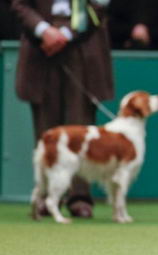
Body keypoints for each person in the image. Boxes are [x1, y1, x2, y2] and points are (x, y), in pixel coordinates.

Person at [12, 0, 114, 218]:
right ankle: (46, 197)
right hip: (40, 46)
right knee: (46, 129)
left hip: (84, 47)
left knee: (82, 128)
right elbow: (19, 4)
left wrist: (66, 33)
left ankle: (79, 197)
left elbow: (99, 5)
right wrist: (43, 30)